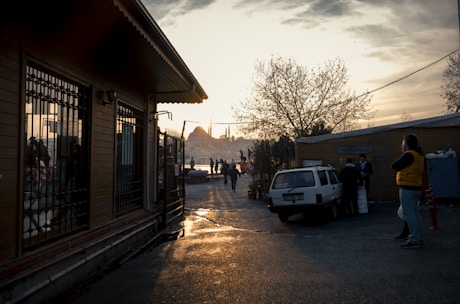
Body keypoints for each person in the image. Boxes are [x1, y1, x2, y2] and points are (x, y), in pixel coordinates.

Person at [391, 134, 425, 249]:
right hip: (415, 187)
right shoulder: (419, 154)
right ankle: (417, 237)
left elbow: (394, 165)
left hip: (407, 188)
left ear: (407, 143)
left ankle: (414, 239)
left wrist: (404, 152)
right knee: (414, 214)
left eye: (403, 143)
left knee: (409, 215)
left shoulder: (409, 154)